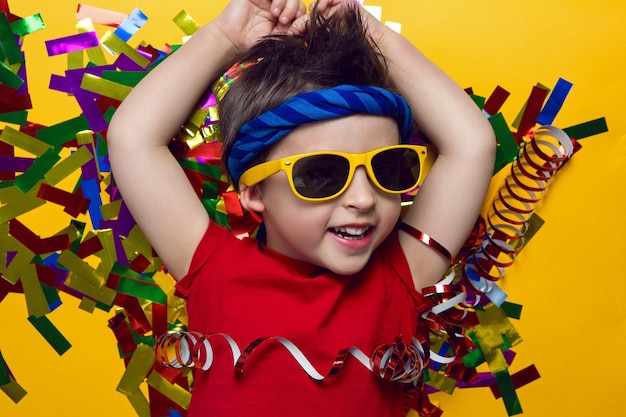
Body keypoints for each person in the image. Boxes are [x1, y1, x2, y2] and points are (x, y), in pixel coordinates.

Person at [107, 0, 496, 415]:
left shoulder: (399, 276)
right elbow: (133, 139)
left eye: (386, 169)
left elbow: (471, 145)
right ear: (253, 191)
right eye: (321, 175)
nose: (364, 199)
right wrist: (225, 37)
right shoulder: (213, 268)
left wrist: (372, 35)